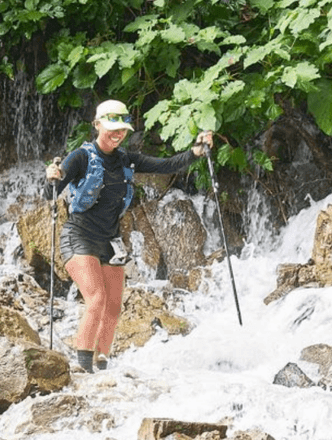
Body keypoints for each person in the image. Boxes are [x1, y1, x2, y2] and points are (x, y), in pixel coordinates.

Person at [45, 99, 213, 373]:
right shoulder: (80, 157)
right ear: (97, 125)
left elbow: (166, 165)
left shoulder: (126, 160)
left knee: (112, 308)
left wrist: (196, 152)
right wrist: (52, 176)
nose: (117, 133)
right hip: (79, 237)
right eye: (111, 127)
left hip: (110, 241)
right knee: (96, 299)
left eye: (122, 128)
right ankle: (83, 365)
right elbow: (50, 192)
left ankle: (101, 363)